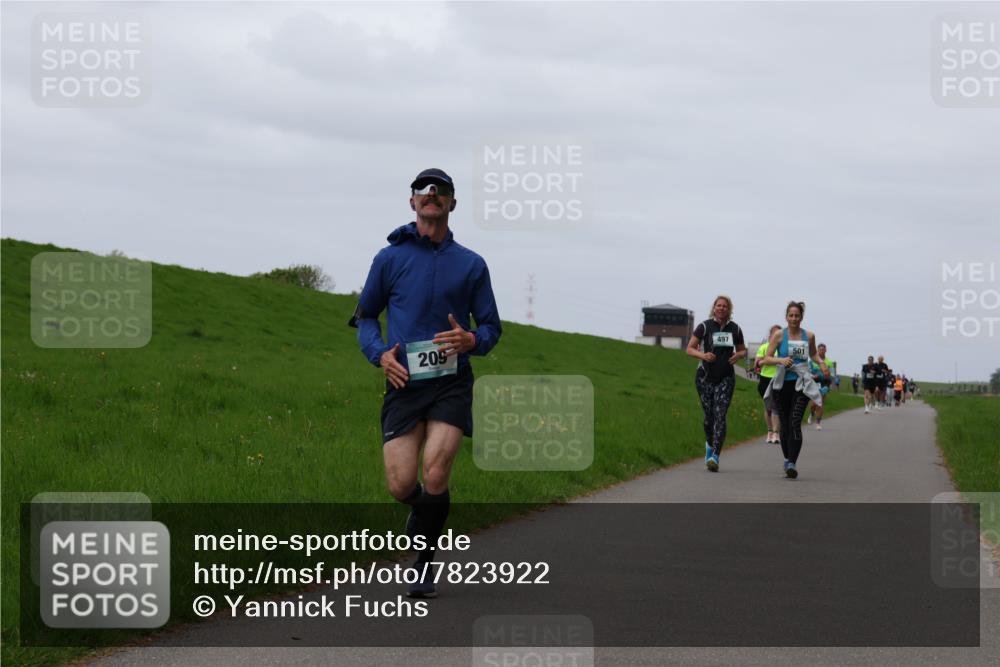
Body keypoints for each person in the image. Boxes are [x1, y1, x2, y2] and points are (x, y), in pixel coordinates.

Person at [352, 168, 502, 598]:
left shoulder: (472, 265)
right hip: (404, 381)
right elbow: (365, 318)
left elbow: (491, 327)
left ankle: (423, 564)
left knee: (437, 471)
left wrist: (472, 338)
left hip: (451, 381)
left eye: (442, 190)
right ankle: (422, 512)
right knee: (401, 485)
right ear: (412, 201)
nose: (432, 194)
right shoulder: (389, 259)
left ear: (453, 203)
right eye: (423, 189)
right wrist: (379, 354)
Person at [762, 301, 827, 479]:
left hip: (801, 383)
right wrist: (781, 361)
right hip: (782, 384)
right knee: (784, 425)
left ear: (801, 317)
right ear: (786, 317)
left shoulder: (809, 335)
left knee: (795, 421)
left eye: (797, 315)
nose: (793, 318)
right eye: (790, 315)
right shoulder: (779, 335)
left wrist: (820, 363)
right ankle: (787, 458)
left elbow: (813, 354)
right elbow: (766, 358)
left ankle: (792, 463)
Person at [685, 295, 747, 472]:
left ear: (729, 310)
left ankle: (715, 457)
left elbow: (742, 350)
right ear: (714, 308)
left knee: (720, 415)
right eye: (718, 306)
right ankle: (710, 446)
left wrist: (738, 355)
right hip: (704, 377)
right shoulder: (704, 326)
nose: (721, 308)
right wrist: (703, 355)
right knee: (708, 418)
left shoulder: (735, 329)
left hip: (726, 377)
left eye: (725, 306)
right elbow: (689, 348)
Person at [754, 325, 782, 443]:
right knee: (768, 407)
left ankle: (776, 433)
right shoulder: (764, 347)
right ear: (770, 335)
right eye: (774, 334)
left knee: (777, 406)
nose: (776, 336)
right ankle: (769, 431)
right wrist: (770, 360)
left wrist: (771, 360)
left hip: (779, 378)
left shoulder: (783, 348)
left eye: (779, 334)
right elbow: (757, 362)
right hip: (765, 378)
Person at [806, 343, 833, 429]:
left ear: (825, 350)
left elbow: (832, 374)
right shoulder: (812, 361)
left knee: (820, 402)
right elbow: (808, 372)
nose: (821, 351)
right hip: (814, 382)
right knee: (813, 404)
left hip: (825, 383)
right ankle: (811, 413)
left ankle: (818, 423)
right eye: (820, 349)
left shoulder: (829, 362)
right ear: (817, 350)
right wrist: (813, 375)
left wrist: (827, 374)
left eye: (823, 349)